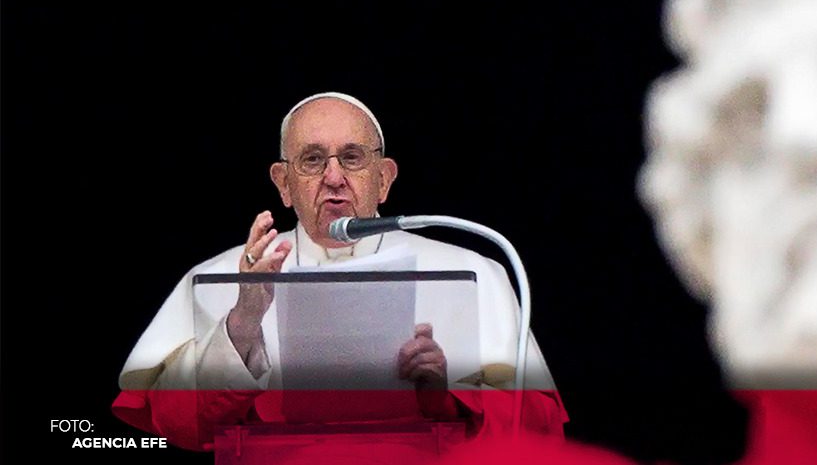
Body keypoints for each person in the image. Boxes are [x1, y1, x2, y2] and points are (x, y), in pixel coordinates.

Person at [113, 92, 567, 451]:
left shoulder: (470, 271)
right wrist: (242, 322)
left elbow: (537, 429)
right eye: (312, 160)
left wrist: (443, 399)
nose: (333, 177)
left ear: (384, 179)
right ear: (283, 184)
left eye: (352, 157)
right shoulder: (220, 277)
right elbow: (175, 424)